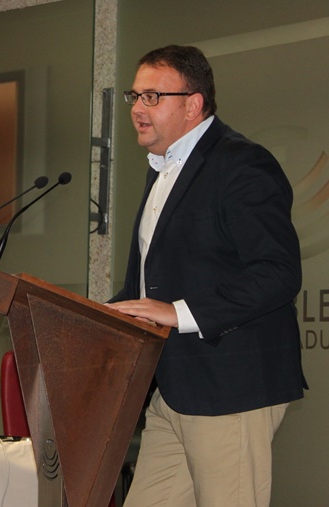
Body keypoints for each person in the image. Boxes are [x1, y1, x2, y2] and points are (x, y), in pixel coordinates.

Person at [106, 45, 306, 506]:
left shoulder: (241, 163)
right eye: (135, 96)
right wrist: (101, 315)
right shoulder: (163, 170)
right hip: (172, 389)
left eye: (152, 96)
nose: (137, 108)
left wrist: (178, 313)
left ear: (193, 104)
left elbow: (278, 272)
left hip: (229, 386)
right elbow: (148, 286)